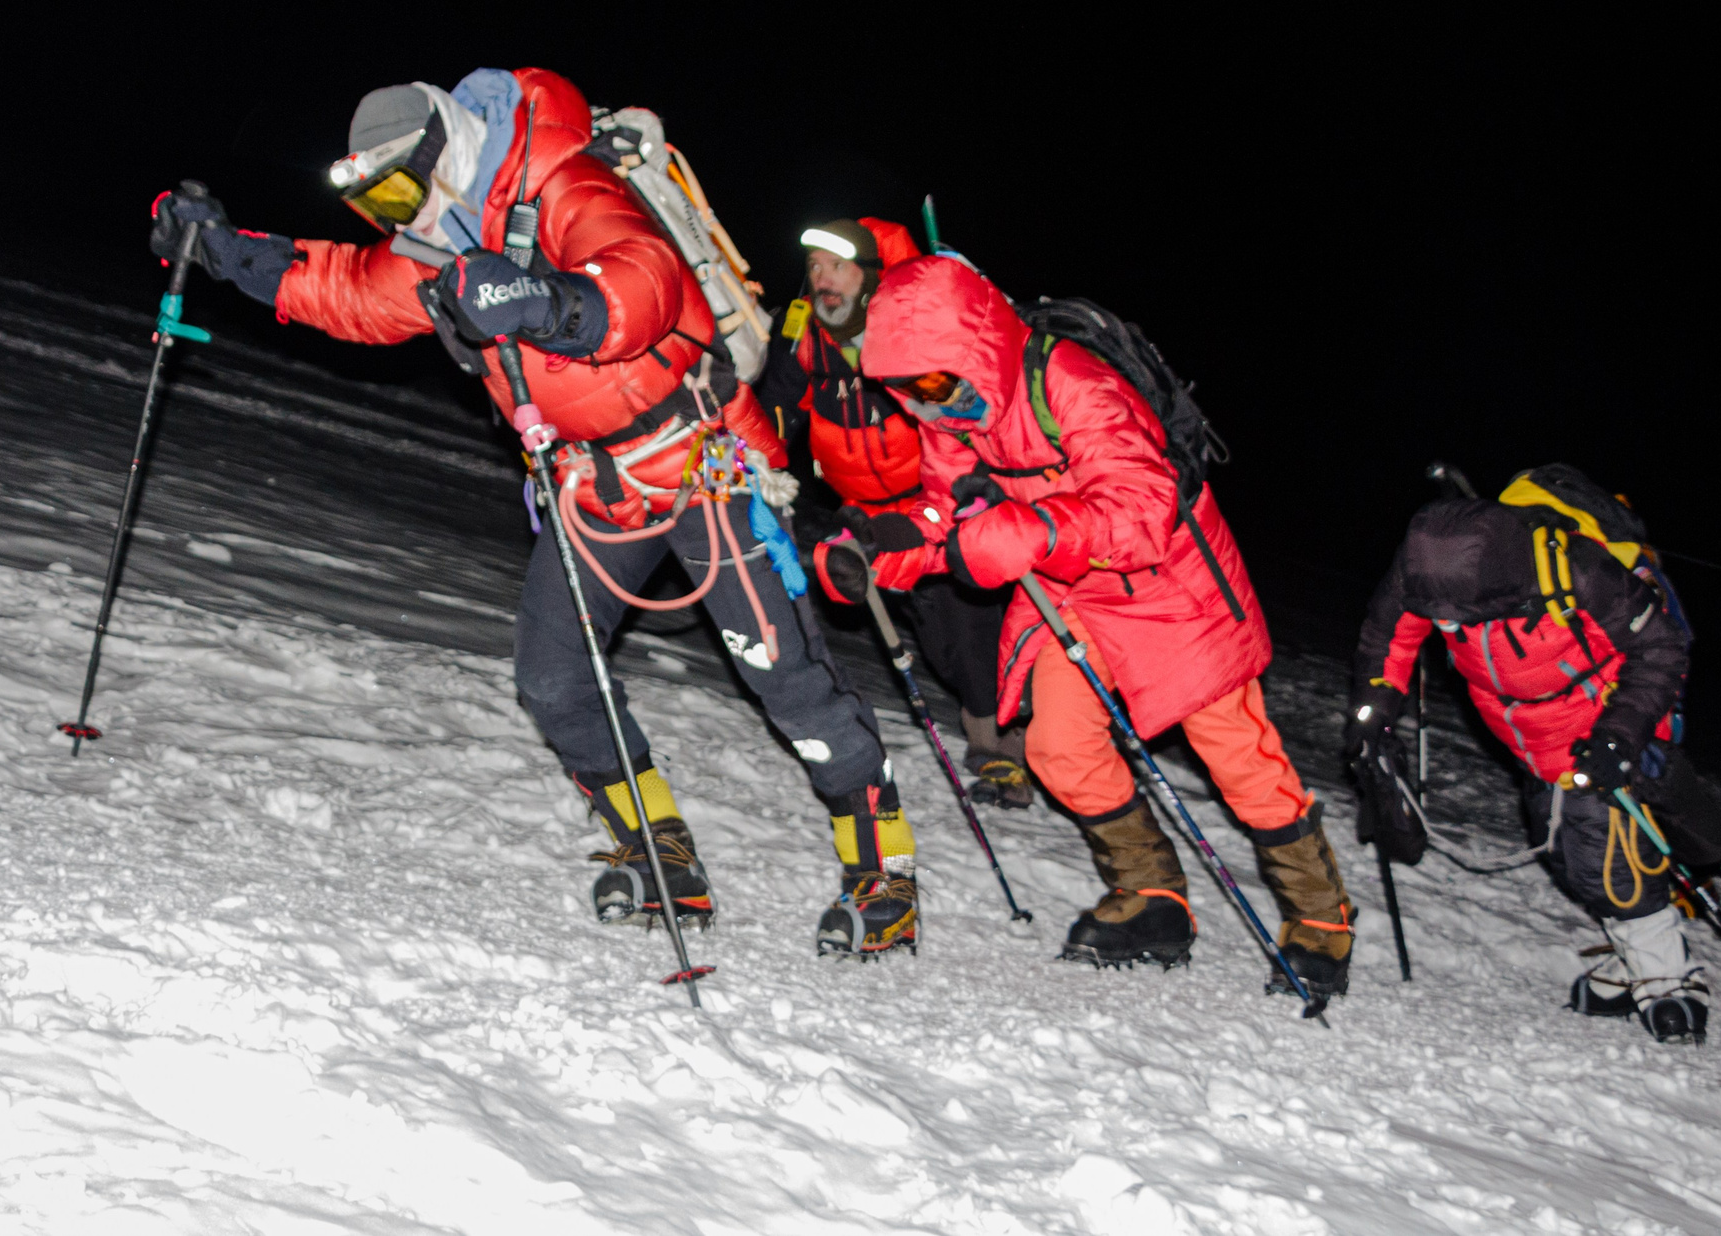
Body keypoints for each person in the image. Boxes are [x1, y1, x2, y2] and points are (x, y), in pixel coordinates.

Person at [149, 68, 916, 954]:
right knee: (552, 679)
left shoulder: (557, 177)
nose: (399, 214)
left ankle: (883, 874)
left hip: (702, 460)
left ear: (445, 154)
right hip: (597, 486)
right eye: (377, 198)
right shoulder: (436, 244)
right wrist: (218, 249)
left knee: (785, 678)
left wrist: (551, 302)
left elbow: (645, 276)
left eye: (402, 187)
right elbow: (349, 293)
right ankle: (658, 850)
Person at [814, 254, 1357, 995]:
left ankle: (1320, 922)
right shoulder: (950, 419)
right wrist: (878, 552)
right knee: (1059, 747)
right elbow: (948, 514)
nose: (927, 407)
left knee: (1238, 759)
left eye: (935, 384)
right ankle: (1153, 899)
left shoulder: (1073, 382)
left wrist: (1021, 534)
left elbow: (1140, 511)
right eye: (906, 392)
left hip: (1171, 586)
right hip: (1075, 591)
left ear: (977, 351)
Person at [1346, 490, 1721, 1042]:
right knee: (1562, 852)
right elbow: (1388, 637)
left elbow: (1661, 647)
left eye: (1459, 620)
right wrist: (1375, 707)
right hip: (1529, 740)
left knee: (1608, 855)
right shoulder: (1424, 570)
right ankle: (1632, 956)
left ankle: (1668, 977)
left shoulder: (1574, 569)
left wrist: (1619, 738)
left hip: (1601, 722)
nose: (1448, 629)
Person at [757, 217, 1026, 806]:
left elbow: (961, 414)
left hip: (938, 506)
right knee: (939, 639)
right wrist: (764, 467)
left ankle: (999, 749)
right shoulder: (803, 333)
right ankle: (1006, 716)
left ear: (873, 275)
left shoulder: (903, 336)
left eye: (837, 266)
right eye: (814, 267)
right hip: (863, 513)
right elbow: (776, 408)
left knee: (968, 626)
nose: (821, 279)